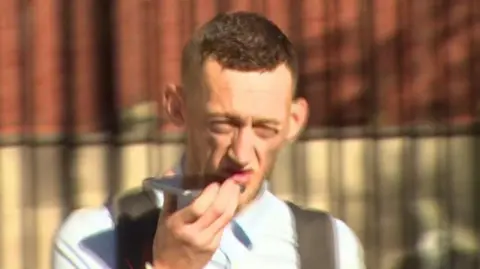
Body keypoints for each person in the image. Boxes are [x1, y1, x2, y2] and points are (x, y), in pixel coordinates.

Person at [53, 11, 365, 269]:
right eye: (223, 124)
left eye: (264, 128)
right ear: (178, 108)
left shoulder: (330, 248)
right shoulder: (97, 239)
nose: (241, 154)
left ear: (294, 122)